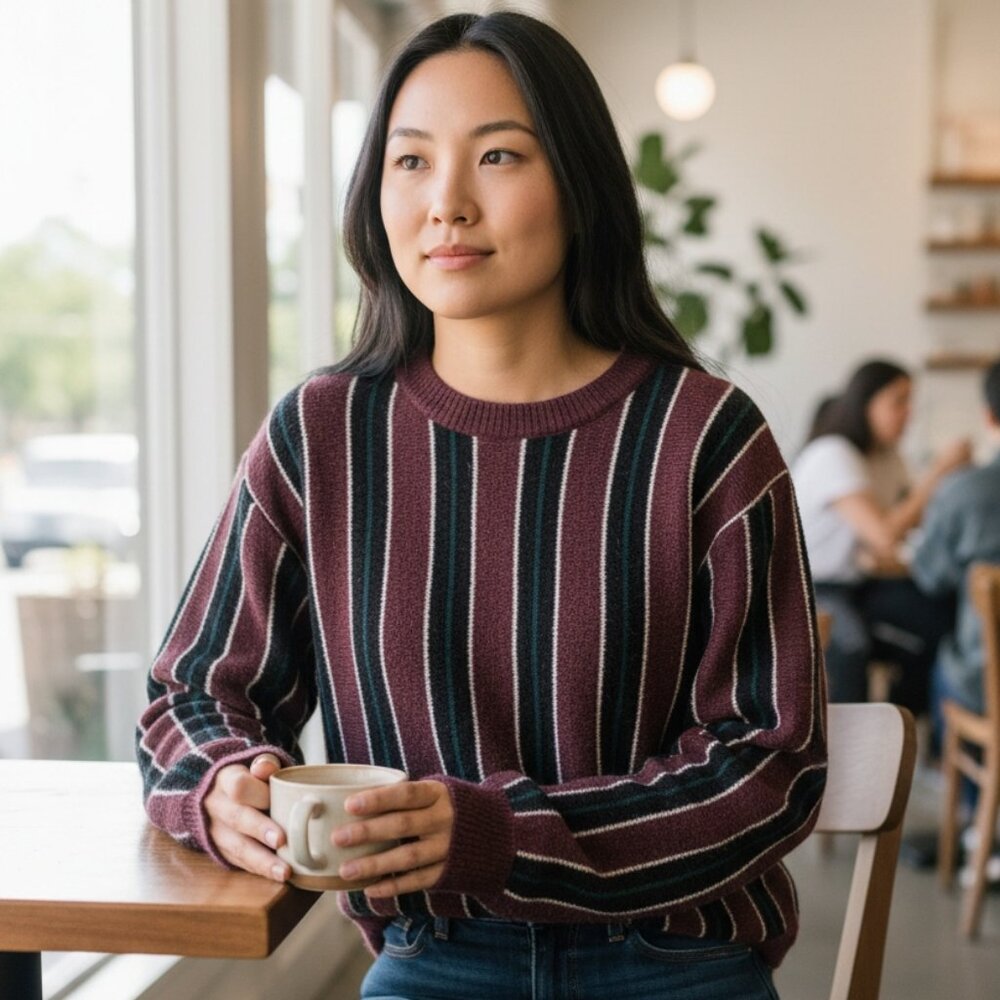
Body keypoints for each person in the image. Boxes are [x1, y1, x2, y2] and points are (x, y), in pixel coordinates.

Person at [136, 11, 826, 998]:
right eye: (409, 162)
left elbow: (772, 763)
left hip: (673, 957)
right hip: (434, 958)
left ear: (580, 186)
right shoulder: (322, 435)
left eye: (496, 155)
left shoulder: (705, 435)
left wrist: (499, 837)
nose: (445, 203)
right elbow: (194, 690)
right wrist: (222, 787)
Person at [792, 359, 970, 714]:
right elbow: (886, 534)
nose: (908, 413)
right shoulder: (833, 454)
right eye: (898, 401)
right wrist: (940, 472)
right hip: (812, 587)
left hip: (861, 584)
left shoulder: (886, 457)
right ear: (865, 403)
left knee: (942, 616)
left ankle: (905, 731)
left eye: (910, 402)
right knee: (851, 644)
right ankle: (847, 750)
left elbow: (915, 520)